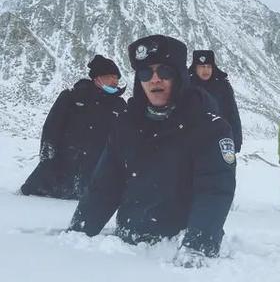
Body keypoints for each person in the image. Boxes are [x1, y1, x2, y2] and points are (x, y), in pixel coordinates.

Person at [68, 35, 236, 267]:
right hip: (127, 249)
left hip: (179, 252)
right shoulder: (126, 125)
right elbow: (104, 187)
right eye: (146, 73)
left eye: (164, 72)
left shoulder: (209, 127)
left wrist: (198, 247)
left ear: (179, 76)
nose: (155, 79)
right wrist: (78, 232)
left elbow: (215, 191)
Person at [20, 55, 126, 199]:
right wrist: (47, 163)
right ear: (97, 78)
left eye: (117, 77)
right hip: (52, 180)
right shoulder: (71, 97)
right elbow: (51, 131)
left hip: (90, 185)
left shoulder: (120, 106)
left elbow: (121, 143)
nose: (115, 81)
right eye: (110, 76)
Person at [189, 50, 242, 153]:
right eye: (202, 66)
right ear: (195, 68)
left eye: (209, 66)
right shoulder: (187, 86)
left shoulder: (223, 86)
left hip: (220, 139)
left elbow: (232, 114)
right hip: (193, 142)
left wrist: (236, 140)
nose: (206, 70)